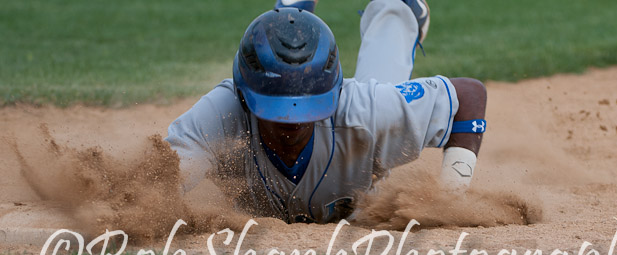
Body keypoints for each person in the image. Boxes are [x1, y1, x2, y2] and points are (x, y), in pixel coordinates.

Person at [166, 0, 487, 224]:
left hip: (362, 120)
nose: (292, 121)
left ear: (333, 92)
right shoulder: (220, 115)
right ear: (243, 94)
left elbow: (468, 95)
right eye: (277, 110)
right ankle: (294, 9)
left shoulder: (363, 108)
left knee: (380, 98)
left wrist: (449, 198)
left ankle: (399, 9)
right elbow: (161, 178)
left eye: (307, 108)